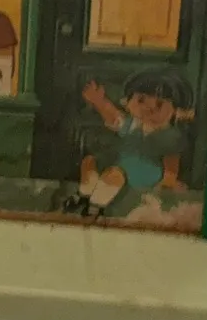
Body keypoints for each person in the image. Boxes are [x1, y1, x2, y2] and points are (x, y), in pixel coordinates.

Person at [67, 68, 194, 220]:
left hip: (145, 176)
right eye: (141, 100)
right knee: (89, 162)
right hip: (122, 167)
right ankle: (84, 194)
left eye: (159, 104)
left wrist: (168, 181)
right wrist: (99, 101)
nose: (148, 108)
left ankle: (95, 206)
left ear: (176, 111)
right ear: (127, 102)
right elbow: (113, 115)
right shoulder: (132, 125)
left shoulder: (169, 135)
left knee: (114, 175)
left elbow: (171, 162)